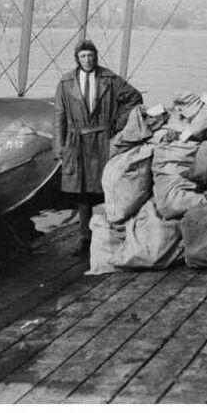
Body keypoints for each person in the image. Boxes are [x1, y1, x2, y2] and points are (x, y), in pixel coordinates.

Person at [53, 40, 143, 256]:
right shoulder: (66, 83)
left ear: (96, 56)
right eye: (83, 56)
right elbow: (59, 117)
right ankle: (85, 238)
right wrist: (60, 147)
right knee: (82, 191)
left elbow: (135, 97)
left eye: (91, 55)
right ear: (77, 58)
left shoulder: (109, 79)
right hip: (78, 143)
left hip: (104, 141)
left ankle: (113, 235)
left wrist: (117, 124)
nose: (87, 60)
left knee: (109, 186)